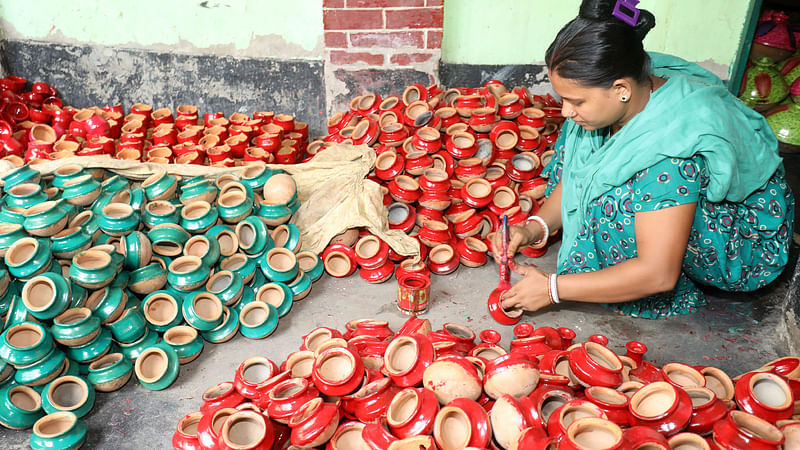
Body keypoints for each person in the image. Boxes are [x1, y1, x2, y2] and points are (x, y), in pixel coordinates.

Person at [491, 0, 795, 318]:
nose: (566, 109)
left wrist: (553, 290)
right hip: (671, 194)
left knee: (617, 196)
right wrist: (532, 228)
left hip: (742, 243)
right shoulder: (625, 94)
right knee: (578, 141)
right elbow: (580, 177)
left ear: (621, 88)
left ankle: (665, 286)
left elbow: (657, 273)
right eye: (563, 98)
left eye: (575, 100)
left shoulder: (672, 149)